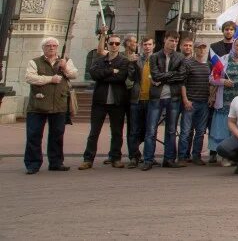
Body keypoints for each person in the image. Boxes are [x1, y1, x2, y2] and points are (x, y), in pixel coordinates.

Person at [24, 37, 78, 174]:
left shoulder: (65, 61)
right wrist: (50, 79)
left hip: (59, 104)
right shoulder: (34, 62)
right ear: (43, 48)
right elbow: (30, 78)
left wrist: (64, 67)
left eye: (54, 45)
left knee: (57, 135)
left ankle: (56, 162)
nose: (52, 48)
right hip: (38, 105)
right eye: (48, 45)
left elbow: (74, 75)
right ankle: (33, 163)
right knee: (34, 135)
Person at [79, 32, 129, 170]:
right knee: (94, 132)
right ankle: (88, 159)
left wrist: (105, 74)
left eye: (117, 43)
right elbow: (94, 75)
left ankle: (116, 158)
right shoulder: (99, 60)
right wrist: (112, 71)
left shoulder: (124, 61)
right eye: (111, 43)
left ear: (120, 46)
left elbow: (121, 78)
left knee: (117, 132)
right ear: (107, 44)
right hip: (99, 102)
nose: (114, 45)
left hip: (117, 102)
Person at [143, 31, 188, 171]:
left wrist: (162, 77)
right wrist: (170, 75)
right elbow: (155, 75)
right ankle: (148, 159)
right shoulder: (155, 56)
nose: (173, 43)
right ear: (165, 40)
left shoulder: (180, 57)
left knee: (171, 130)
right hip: (157, 97)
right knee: (151, 130)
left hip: (173, 97)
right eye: (171, 40)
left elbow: (181, 76)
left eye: (176, 41)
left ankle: (169, 159)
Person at [208, 38, 238, 166]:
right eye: (237, 46)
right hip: (226, 102)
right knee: (224, 129)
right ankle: (225, 156)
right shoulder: (223, 60)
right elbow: (212, 78)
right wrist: (223, 81)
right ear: (233, 46)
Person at [179, 40, 211, 165]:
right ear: (195, 49)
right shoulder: (188, 63)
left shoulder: (209, 64)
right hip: (191, 102)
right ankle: (182, 156)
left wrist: (211, 96)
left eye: (203, 48)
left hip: (204, 102)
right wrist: (185, 100)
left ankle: (196, 156)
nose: (201, 50)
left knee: (200, 131)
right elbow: (182, 83)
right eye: (199, 48)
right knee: (186, 131)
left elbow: (212, 82)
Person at [125, 36, 154, 167]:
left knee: (150, 130)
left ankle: (149, 157)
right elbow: (130, 77)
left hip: (152, 99)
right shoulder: (136, 59)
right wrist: (131, 63)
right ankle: (134, 156)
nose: (147, 47)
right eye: (145, 44)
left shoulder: (157, 59)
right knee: (134, 130)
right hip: (137, 98)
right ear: (141, 46)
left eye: (149, 44)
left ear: (153, 46)